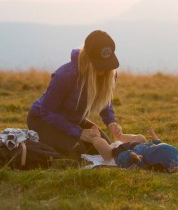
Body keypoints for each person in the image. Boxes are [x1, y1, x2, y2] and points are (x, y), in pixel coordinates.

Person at [27, 30, 146, 158]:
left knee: (105, 146)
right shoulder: (64, 76)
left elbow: (104, 101)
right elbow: (47, 112)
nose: (104, 69)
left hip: (73, 120)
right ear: (88, 58)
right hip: (42, 120)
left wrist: (111, 122)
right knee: (77, 150)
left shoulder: (109, 73)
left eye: (106, 64)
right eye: (99, 65)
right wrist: (79, 132)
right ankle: (31, 142)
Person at [91, 126, 178, 172]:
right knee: (141, 137)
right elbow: (160, 151)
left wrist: (131, 155)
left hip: (118, 152)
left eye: (154, 147)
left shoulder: (139, 161)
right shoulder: (153, 154)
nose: (153, 145)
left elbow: (121, 159)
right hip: (133, 145)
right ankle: (119, 136)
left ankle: (95, 138)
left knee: (107, 154)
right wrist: (157, 141)